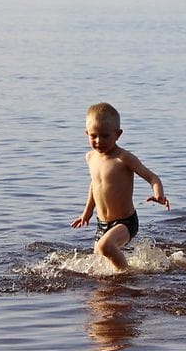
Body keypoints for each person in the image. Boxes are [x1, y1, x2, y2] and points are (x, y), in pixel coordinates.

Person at [72, 102, 170, 270]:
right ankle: (122, 275)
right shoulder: (90, 157)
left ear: (118, 134)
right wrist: (86, 213)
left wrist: (158, 194)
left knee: (105, 247)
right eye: (94, 136)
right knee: (99, 264)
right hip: (102, 223)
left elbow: (152, 177)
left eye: (105, 136)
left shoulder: (124, 158)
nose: (99, 141)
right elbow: (95, 185)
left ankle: (127, 275)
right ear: (86, 133)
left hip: (125, 222)